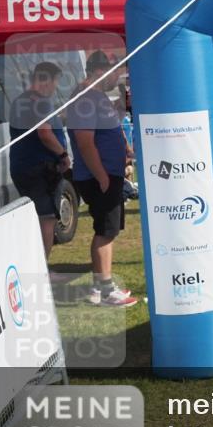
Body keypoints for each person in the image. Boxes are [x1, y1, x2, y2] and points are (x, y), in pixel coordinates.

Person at [66, 51, 135, 307]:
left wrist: (125, 151)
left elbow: (108, 130)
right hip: (99, 176)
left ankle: (100, 287)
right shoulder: (85, 97)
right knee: (106, 231)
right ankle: (105, 289)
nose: (117, 76)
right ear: (100, 70)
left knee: (109, 229)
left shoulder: (97, 96)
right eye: (115, 71)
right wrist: (102, 176)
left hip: (107, 173)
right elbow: (85, 142)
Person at [8, 62, 71, 259]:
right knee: (47, 218)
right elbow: (44, 133)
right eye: (55, 82)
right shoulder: (40, 101)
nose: (54, 88)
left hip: (21, 166)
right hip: (39, 169)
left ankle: (36, 264)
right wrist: (63, 155)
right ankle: (42, 268)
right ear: (46, 80)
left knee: (36, 217)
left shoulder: (19, 101)